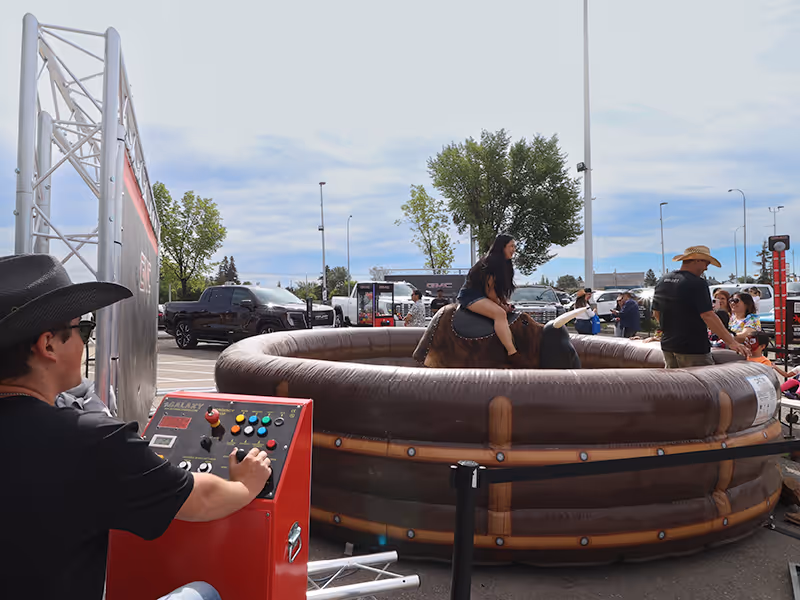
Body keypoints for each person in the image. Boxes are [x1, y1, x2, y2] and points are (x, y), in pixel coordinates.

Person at [0, 254, 273, 600]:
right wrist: (246, 485)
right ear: (49, 344)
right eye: (82, 329)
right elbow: (200, 499)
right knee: (204, 593)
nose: (86, 342)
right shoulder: (92, 441)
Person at [653, 245, 749, 368]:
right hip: (693, 348)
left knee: (675, 385)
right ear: (697, 260)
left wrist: (669, 331)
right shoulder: (697, 283)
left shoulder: (662, 281)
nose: (706, 268)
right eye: (706, 263)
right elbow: (708, 315)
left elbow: (657, 312)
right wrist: (732, 342)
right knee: (700, 385)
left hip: (668, 346)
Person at [456, 234, 524, 366]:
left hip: (483, 296)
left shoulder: (506, 265)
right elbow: (490, 291)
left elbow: (499, 291)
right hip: (471, 296)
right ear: (502, 247)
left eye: (514, 246)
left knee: (505, 311)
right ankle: (512, 352)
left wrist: (504, 303)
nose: (514, 249)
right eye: (511, 246)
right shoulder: (491, 263)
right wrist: (501, 306)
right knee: (500, 314)